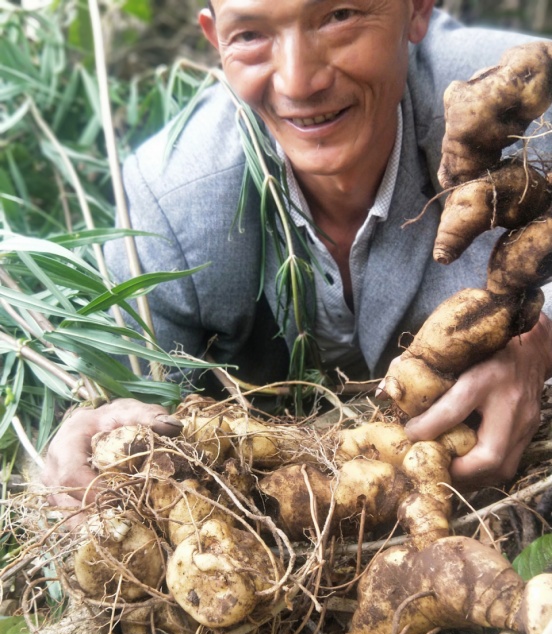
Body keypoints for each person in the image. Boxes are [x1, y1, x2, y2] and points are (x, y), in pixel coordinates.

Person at [42, 0, 552, 508]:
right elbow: (129, 399)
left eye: (339, 16)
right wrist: (96, 426)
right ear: (215, 41)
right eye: (249, 35)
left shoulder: (524, 102)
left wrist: (538, 344)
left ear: (417, 9)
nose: (298, 82)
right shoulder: (169, 203)